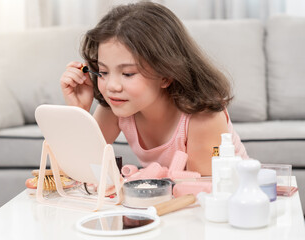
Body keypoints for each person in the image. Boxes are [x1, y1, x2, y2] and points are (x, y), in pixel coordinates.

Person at [60, 1, 248, 176]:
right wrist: (78, 112)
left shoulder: (202, 116)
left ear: (165, 75)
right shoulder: (118, 105)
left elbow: (199, 193)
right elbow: (75, 169)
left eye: (128, 74)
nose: (111, 86)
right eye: (103, 71)